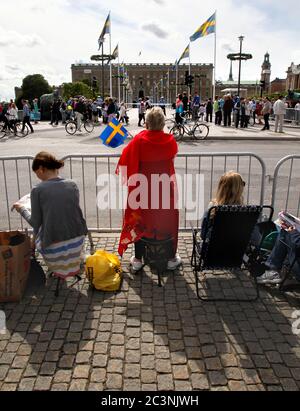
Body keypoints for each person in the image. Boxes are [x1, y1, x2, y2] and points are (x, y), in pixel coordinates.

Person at [116, 107, 181, 271]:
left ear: (147, 123)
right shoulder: (171, 141)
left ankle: (137, 260)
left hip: (142, 188)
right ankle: (171, 257)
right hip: (164, 188)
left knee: (140, 220)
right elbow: (172, 157)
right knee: (167, 219)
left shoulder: (139, 140)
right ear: (163, 123)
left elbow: (126, 157)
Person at [12, 152, 88, 281]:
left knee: (39, 227)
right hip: (77, 242)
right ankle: (67, 267)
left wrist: (21, 209)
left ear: (41, 169)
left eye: (36, 172)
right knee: (46, 222)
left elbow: (35, 222)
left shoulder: (38, 189)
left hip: (55, 251)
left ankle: (38, 256)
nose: (37, 176)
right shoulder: (72, 184)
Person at [201, 171, 245, 239]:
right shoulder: (247, 210)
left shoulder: (213, 208)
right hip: (238, 248)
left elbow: (203, 235)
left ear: (220, 187)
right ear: (239, 189)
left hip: (214, 248)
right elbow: (256, 239)